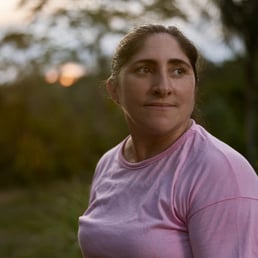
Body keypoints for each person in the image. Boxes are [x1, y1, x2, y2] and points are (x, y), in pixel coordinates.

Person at [78, 24, 258, 258]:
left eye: (178, 71)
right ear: (114, 89)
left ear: (193, 86)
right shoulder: (108, 163)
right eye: (144, 69)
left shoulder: (220, 172)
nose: (163, 87)